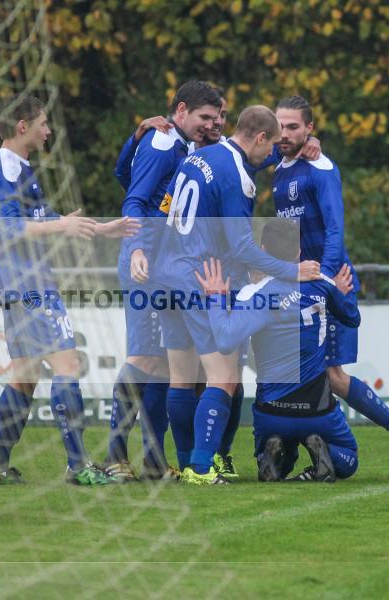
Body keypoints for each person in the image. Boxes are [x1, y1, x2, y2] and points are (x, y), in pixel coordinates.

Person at [114, 89, 323, 481]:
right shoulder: (238, 179)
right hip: (200, 279)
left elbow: (163, 207)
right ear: (259, 137)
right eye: (271, 146)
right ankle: (201, 466)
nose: (270, 156)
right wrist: (290, 271)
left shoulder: (199, 155)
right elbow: (243, 247)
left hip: (166, 274)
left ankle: (187, 460)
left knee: (181, 377)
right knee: (223, 378)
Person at [0, 94, 138, 485]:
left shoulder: (19, 167)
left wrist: (99, 228)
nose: (48, 131)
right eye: (43, 124)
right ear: (23, 126)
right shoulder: (4, 168)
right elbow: (9, 229)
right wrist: (60, 227)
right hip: (28, 282)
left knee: (24, 377)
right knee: (67, 366)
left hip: (17, 283)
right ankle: (78, 465)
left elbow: (39, 218)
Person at [272, 96, 389, 480]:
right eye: (280, 126)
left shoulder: (320, 168)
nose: (285, 133)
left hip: (326, 282)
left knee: (331, 376)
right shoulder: (279, 167)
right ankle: (328, 457)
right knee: (308, 374)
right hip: (301, 282)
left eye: (293, 126)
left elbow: (336, 229)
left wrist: (324, 282)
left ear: (310, 128)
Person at [106, 81, 223, 481]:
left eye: (216, 119)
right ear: (181, 110)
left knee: (158, 366)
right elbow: (134, 198)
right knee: (143, 359)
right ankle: (113, 456)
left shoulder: (178, 145)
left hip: (164, 263)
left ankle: (154, 464)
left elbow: (123, 173)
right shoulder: (163, 143)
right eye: (204, 118)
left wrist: (132, 138)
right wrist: (138, 248)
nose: (210, 125)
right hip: (145, 261)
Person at [195, 219, 361, 482]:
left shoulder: (254, 294)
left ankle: (269, 453)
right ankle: (320, 449)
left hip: (272, 411)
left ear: (262, 249)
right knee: (349, 458)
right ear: (298, 253)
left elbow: (226, 340)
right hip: (316, 410)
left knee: (271, 454)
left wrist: (216, 298)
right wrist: (337, 294)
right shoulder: (320, 282)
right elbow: (352, 318)